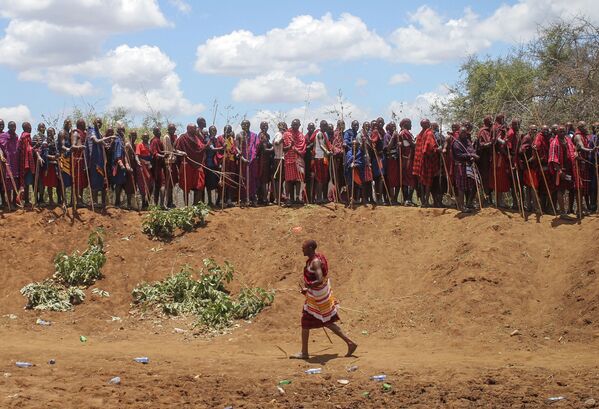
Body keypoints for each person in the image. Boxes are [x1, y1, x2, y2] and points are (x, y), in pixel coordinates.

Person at [290, 239, 357, 360]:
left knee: (306, 322)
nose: (302, 250)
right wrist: (308, 289)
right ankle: (350, 342)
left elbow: (320, 280)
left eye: (304, 247)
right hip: (318, 295)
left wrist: (309, 286)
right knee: (327, 321)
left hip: (317, 298)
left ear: (310, 248)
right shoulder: (317, 258)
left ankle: (304, 353)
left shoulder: (315, 262)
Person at [176, 123, 207, 205]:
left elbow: (201, 148)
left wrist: (207, 144)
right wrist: (181, 152)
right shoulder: (183, 137)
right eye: (194, 128)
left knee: (200, 185)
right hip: (187, 165)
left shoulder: (197, 138)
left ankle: (195, 205)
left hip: (197, 165)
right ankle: (186, 207)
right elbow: (175, 150)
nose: (196, 129)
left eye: (195, 128)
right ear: (188, 129)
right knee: (186, 186)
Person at [549, 125, 576, 218]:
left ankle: (570, 209)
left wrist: (575, 153)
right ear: (557, 132)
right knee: (560, 190)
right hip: (560, 171)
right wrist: (559, 171)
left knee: (570, 188)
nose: (562, 133)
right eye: (560, 131)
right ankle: (562, 212)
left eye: (564, 131)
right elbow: (553, 159)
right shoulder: (554, 143)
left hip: (569, 169)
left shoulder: (568, 139)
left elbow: (573, 149)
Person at [412, 118, 439, 207]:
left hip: (420, 161)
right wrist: (437, 150)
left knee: (421, 181)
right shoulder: (429, 133)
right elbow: (429, 148)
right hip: (427, 161)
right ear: (428, 124)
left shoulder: (420, 134)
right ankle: (426, 202)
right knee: (428, 182)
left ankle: (423, 201)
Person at [452, 123, 479, 212]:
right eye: (462, 133)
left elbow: (471, 149)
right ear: (459, 133)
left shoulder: (467, 141)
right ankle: (461, 207)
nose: (464, 134)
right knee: (461, 187)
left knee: (473, 184)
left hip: (469, 166)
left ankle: (469, 203)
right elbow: (459, 155)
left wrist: (473, 155)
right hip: (461, 166)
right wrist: (470, 155)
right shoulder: (456, 143)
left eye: (465, 133)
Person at [86, 118, 110, 209]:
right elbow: (96, 141)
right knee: (95, 180)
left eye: (100, 122)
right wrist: (109, 137)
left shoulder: (98, 132)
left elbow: (102, 141)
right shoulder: (91, 131)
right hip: (94, 160)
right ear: (94, 123)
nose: (99, 124)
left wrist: (106, 144)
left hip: (100, 160)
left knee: (101, 180)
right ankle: (94, 201)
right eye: (97, 122)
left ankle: (102, 202)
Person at [236, 120, 260, 206]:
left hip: (252, 160)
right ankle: (243, 198)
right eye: (243, 124)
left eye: (247, 124)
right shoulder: (239, 135)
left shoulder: (254, 135)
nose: (245, 125)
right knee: (243, 178)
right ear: (241, 125)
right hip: (243, 161)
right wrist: (242, 158)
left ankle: (253, 197)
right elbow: (237, 147)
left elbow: (256, 146)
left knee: (252, 179)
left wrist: (252, 157)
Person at [572, 121, 594, 214]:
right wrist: (591, 150)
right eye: (584, 126)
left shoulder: (585, 135)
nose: (586, 128)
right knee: (580, 186)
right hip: (580, 164)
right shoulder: (578, 136)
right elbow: (580, 147)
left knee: (585, 187)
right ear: (580, 127)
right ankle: (579, 209)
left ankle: (585, 207)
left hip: (586, 163)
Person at [283, 119, 306, 205]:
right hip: (289, 159)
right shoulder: (286, 134)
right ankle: (288, 198)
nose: (294, 126)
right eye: (293, 125)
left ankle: (297, 198)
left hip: (298, 159)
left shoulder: (301, 136)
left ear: (299, 125)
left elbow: (303, 148)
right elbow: (283, 149)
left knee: (298, 179)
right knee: (289, 180)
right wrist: (291, 146)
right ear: (291, 125)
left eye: (296, 125)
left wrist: (297, 150)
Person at [520, 125, 540, 213]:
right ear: (529, 130)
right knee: (533, 186)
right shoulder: (527, 138)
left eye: (536, 130)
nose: (534, 131)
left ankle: (530, 207)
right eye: (533, 130)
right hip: (528, 166)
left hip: (533, 166)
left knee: (530, 186)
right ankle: (534, 207)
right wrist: (527, 149)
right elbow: (521, 149)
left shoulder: (534, 138)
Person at [0, 121, 19, 207]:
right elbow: (2, 148)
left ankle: (14, 202)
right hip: (6, 162)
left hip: (15, 163)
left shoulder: (16, 136)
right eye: (11, 127)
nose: (13, 128)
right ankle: (7, 203)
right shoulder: (3, 136)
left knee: (15, 181)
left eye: (14, 126)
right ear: (8, 127)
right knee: (6, 184)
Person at [312, 120, 331, 204]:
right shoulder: (319, 134)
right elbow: (321, 145)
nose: (326, 127)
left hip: (324, 158)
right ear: (321, 126)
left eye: (326, 126)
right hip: (319, 157)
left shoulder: (325, 134)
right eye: (324, 126)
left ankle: (324, 197)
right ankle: (319, 198)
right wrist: (327, 151)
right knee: (319, 178)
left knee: (324, 178)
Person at [398, 118, 416, 205]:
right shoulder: (404, 132)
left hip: (409, 158)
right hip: (407, 159)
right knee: (409, 178)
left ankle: (408, 200)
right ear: (405, 124)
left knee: (408, 178)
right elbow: (412, 144)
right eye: (410, 123)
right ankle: (407, 199)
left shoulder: (406, 132)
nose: (411, 125)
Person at [476, 116, 494, 204]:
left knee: (490, 178)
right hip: (484, 159)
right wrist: (491, 143)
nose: (492, 122)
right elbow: (481, 145)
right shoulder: (482, 131)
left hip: (490, 158)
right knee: (485, 178)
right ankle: (485, 198)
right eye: (491, 120)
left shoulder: (492, 130)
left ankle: (490, 198)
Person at [162, 124, 179, 208]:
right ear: (169, 129)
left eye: (174, 129)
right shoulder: (166, 137)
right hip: (169, 163)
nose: (173, 131)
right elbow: (166, 152)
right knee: (168, 184)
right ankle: (167, 203)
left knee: (172, 184)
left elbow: (174, 149)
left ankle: (171, 202)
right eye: (172, 129)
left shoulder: (173, 137)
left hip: (173, 162)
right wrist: (167, 164)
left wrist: (179, 152)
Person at [135, 132, 153, 209]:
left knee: (151, 184)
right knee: (142, 185)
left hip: (149, 167)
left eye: (147, 137)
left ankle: (147, 202)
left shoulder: (150, 145)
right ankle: (143, 203)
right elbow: (137, 155)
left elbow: (152, 155)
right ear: (142, 138)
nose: (145, 138)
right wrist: (138, 161)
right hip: (142, 166)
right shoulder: (139, 145)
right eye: (144, 137)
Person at [42, 127, 59, 207]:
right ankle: (51, 200)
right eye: (48, 132)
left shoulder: (56, 142)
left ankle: (60, 200)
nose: (49, 134)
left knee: (57, 182)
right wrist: (53, 157)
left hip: (57, 165)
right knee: (49, 184)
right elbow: (45, 155)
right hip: (49, 166)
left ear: (54, 133)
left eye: (51, 132)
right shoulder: (45, 143)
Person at [257, 122, 273, 205]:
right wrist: (274, 148)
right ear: (260, 127)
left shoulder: (266, 135)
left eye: (266, 126)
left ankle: (261, 198)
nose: (265, 127)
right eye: (263, 126)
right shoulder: (262, 136)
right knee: (264, 181)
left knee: (265, 180)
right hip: (263, 161)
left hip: (266, 161)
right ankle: (264, 199)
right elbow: (265, 150)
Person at [272, 122, 286, 205]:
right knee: (279, 179)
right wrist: (283, 138)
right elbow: (277, 142)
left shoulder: (279, 134)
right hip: (279, 158)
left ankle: (279, 197)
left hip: (280, 158)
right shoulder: (279, 134)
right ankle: (277, 198)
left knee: (281, 180)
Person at [304, 122, 316, 203]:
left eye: (313, 128)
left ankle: (313, 198)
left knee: (315, 179)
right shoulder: (305, 137)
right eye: (310, 128)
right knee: (308, 180)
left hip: (315, 159)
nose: (311, 129)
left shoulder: (316, 136)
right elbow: (305, 148)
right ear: (307, 128)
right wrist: (310, 145)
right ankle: (308, 198)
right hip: (307, 160)